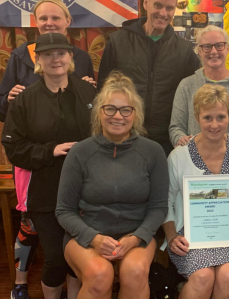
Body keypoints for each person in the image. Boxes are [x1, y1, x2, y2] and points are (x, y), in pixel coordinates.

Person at [0, 0, 94, 299]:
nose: (55, 59)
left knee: (78, 256)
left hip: (84, 189)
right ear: (38, 60)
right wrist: (50, 151)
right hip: (44, 190)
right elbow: (14, 147)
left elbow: (103, 133)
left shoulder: (88, 91)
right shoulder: (24, 98)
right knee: (56, 258)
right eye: (48, 54)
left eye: (61, 53)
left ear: (70, 57)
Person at [56, 72, 168, 299]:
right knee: (100, 274)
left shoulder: (153, 152)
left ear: (135, 115)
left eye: (126, 109)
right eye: (110, 109)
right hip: (87, 234)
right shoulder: (79, 153)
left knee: (135, 272)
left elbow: (158, 207)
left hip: (136, 235)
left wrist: (137, 237)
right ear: (99, 112)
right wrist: (94, 238)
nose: (118, 116)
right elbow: (64, 211)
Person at [164, 84, 229, 299]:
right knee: (203, 277)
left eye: (221, 117)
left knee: (228, 276)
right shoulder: (179, 155)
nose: (214, 124)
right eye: (207, 117)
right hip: (189, 235)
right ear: (197, 117)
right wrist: (170, 236)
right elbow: (166, 200)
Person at [97, 0, 200, 154]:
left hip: (168, 142)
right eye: (158, 5)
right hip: (124, 138)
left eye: (169, 8)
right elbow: (103, 91)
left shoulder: (185, 50)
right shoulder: (118, 42)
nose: (163, 13)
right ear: (146, 3)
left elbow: (193, 96)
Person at [0, 0, 95, 122]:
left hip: (75, 137)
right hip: (33, 136)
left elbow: (93, 112)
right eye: (43, 18)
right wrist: (8, 100)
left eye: (55, 18)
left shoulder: (82, 58)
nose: (49, 23)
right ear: (36, 22)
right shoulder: (20, 56)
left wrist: (90, 92)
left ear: (67, 21)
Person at [169, 25, 229, 149]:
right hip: (195, 160)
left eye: (219, 46)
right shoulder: (186, 86)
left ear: (227, 48)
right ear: (199, 51)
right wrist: (181, 139)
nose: (214, 52)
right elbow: (176, 127)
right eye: (207, 47)